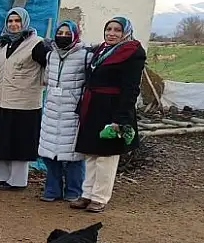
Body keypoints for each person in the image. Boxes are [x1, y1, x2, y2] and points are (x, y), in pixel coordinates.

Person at [71, 17, 145, 213]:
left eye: (117, 30)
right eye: (109, 29)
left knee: (106, 155)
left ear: (125, 33)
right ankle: (87, 194)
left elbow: (131, 88)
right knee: (91, 153)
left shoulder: (132, 53)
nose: (112, 33)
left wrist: (121, 118)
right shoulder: (101, 50)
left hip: (113, 107)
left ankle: (100, 197)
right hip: (93, 106)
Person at [0, 7, 48, 190]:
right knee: (0, 141)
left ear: (25, 22)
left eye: (17, 21)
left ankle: (18, 181)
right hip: (2, 100)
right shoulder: (3, 43)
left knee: (19, 144)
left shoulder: (36, 44)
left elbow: (49, 66)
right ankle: (1, 177)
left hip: (25, 103)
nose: (13, 25)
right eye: (10, 21)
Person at [38, 20, 89, 202]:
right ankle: (52, 190)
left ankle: (74, 191)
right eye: (60, 32)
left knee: (74, 155)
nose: (63, 36)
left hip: (72, 112)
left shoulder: (85, 56)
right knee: (50, 153)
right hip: (52, 109)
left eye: (68, 33)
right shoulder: (51, 55)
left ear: (75, 35)